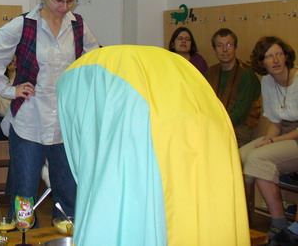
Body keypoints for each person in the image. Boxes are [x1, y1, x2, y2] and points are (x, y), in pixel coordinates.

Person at [57, 45, 250, 246]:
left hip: (156, 131)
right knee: (204, 211)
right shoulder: (166, 70)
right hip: (212, 124)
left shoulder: (100, 86)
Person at [0, 0, 99, 220]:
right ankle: (22, 234)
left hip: (65, 123)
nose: (65, 6)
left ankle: (66, 233)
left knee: (68, 192)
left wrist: (84, 91)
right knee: (24, 193)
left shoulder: (78, 26)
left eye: (71, 0)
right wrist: (9, 90)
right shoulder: (24, 24)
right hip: (29, 121)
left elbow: (96, 60)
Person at [240, 36, 298, 242]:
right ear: (262, 62)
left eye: (279, 54)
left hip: (295, 137)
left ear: (286, 56)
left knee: (259, 158)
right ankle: (244, 218)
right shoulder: (267, 81)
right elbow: (275, 122)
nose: (275, 60)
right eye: (269, 56)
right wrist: (266, 142)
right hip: (283, 135)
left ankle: (279, 224)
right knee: (241, 156)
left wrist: (271, 143)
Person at [205, 28, 261, 146]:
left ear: (235, 48)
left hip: (239, 129)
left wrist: (218, 127)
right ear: (214, 49)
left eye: (229, 45)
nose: (225, 50)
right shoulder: (211, 72)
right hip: (215, 125)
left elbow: (240, 112)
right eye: (220, 45)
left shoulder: (246, 74)